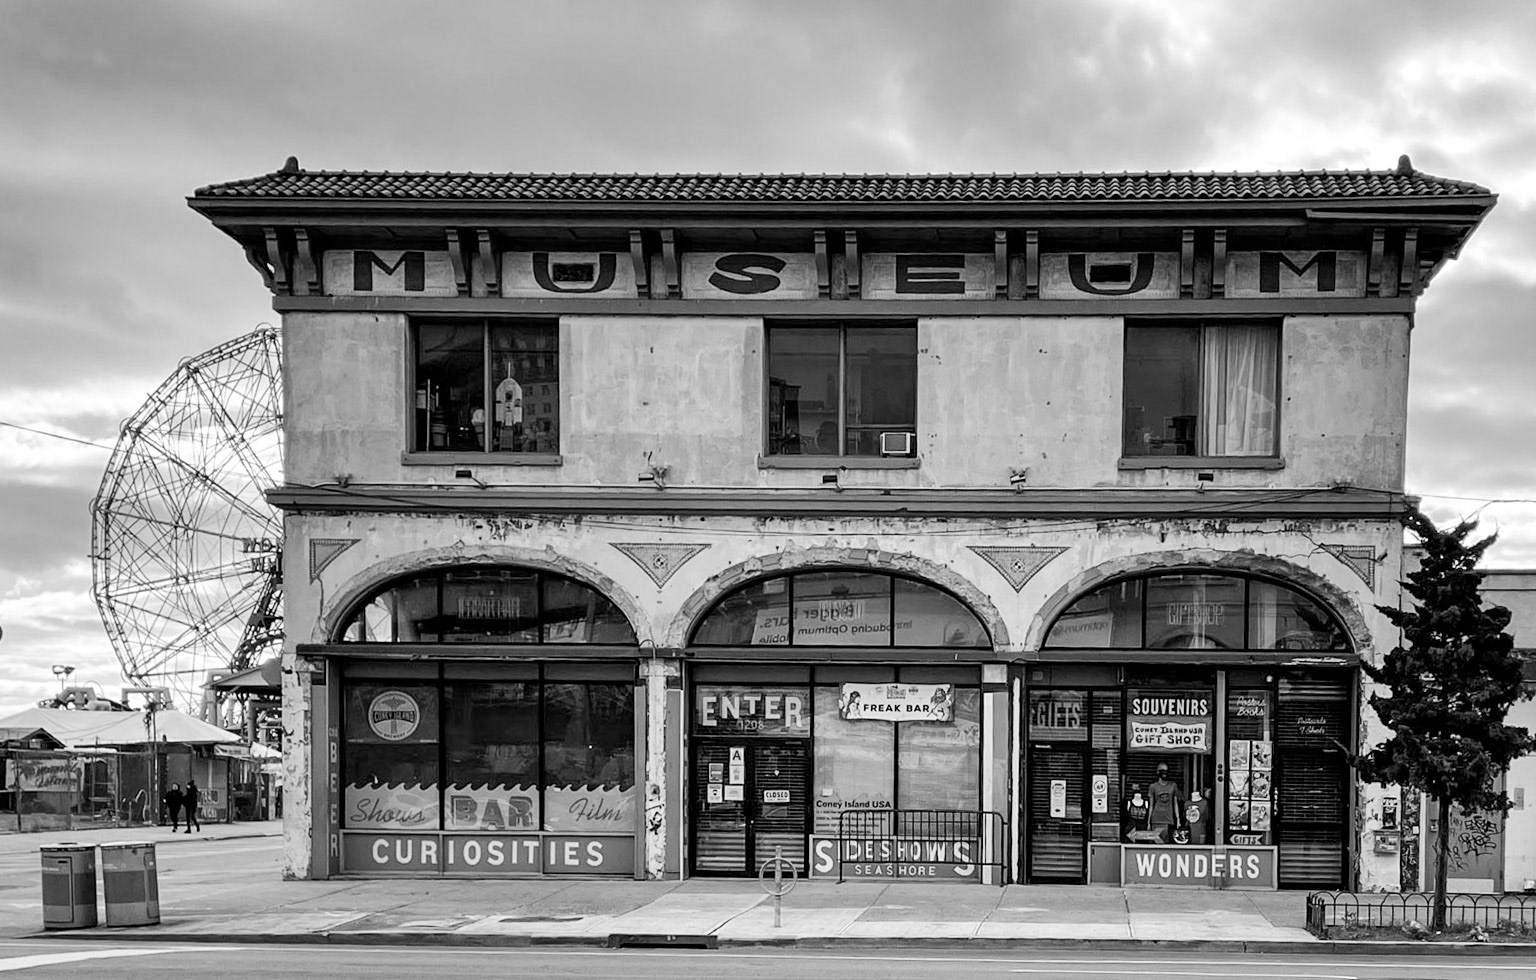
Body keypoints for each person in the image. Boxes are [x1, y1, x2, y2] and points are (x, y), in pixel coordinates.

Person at [1147, 763, 1185, 843]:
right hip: (1156, 819)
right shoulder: (1153, 786)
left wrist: (1178, 819)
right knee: (1156, 842)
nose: (1164, 773)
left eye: (1166, 771)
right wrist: (1148, 822)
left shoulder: (1173, 785)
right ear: (1158, 772)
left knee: (1166, 843)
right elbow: (1151, 805)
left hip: (1169, 819)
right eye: (1162, 771)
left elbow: (1175, 804)